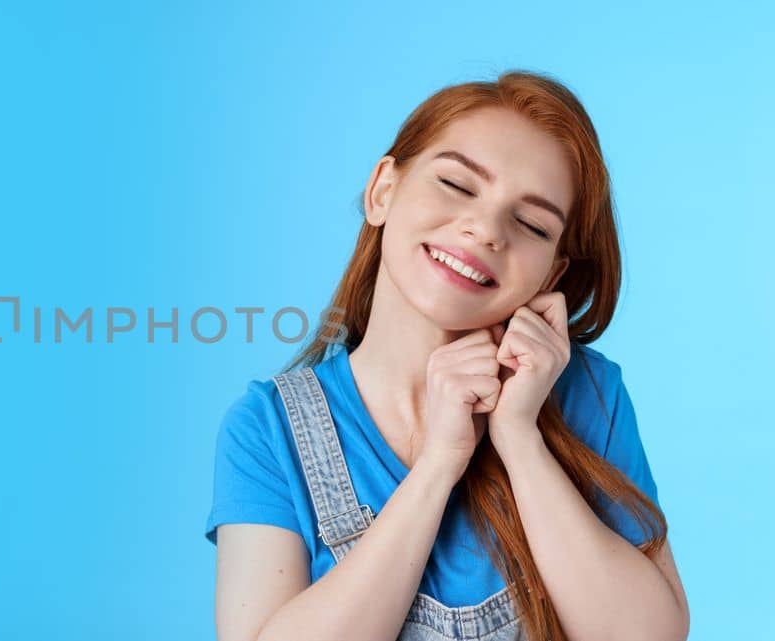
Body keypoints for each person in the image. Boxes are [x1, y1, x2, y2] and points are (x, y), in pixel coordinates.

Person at [204, 71, 690, 641]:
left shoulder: (590, 395)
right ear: (383, 189)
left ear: (551, 274)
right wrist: (440, 463)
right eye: (458, 185)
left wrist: (520, 437)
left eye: (532, 224)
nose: (485, 229)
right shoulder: (268, 429)